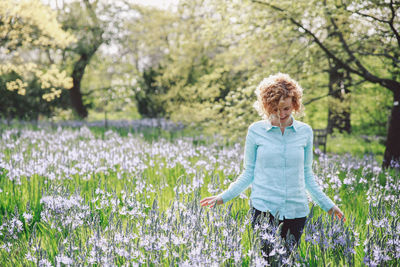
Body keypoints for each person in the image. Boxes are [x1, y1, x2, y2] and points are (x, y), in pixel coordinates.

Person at [200, 73, 345, 254]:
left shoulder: (305, 132)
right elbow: (248, 173)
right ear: (266, 107)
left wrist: (328, 206)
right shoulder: (256, 131)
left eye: (286, 108)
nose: (281, 114)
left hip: (296, 211)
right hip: (263, 211)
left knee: (287, 262)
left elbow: (307, 176)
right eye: (275, 109)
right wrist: (223, 197)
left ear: (294, 103)